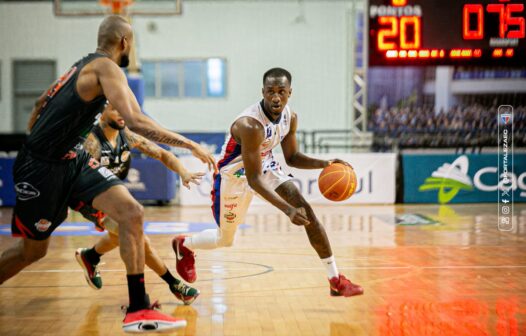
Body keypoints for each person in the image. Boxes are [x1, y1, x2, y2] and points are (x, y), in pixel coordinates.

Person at [0, 15, 216, 333]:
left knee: (131, 213)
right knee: (32, 252)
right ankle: (99, 262)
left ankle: (139, 309)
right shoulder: (106, 67)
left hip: (73, 159)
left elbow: (40, 100)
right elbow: (138, 120)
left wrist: (43, 131)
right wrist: (190, 145)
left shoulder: (82, 66)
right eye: (133, 44)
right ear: (124, 43)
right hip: (42, 169)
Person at [172, 68, 363, 297]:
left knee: (307, 212)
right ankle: (185, 245)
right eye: (270, 91)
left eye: (281, 91)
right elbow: (254, 180)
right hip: (234, 177)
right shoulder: (251, 125)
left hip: (265, 166)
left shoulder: (290, 117)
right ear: (262, 92)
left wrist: (326, 164)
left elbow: (292, 158)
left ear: (289, 93)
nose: (275, 97)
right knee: (225, 240)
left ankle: (335, 279)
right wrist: (287, 210)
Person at [74, 103, 202, 305]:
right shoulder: (92, 142)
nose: (121, 112)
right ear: (102, 113)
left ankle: (91, 256)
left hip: (110, 195)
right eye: (115, 108)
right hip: (90, 198)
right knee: (137, 237)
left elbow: (163, 154)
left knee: (121, 235)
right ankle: (174, 284)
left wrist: (183, 172)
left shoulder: (127, 135)